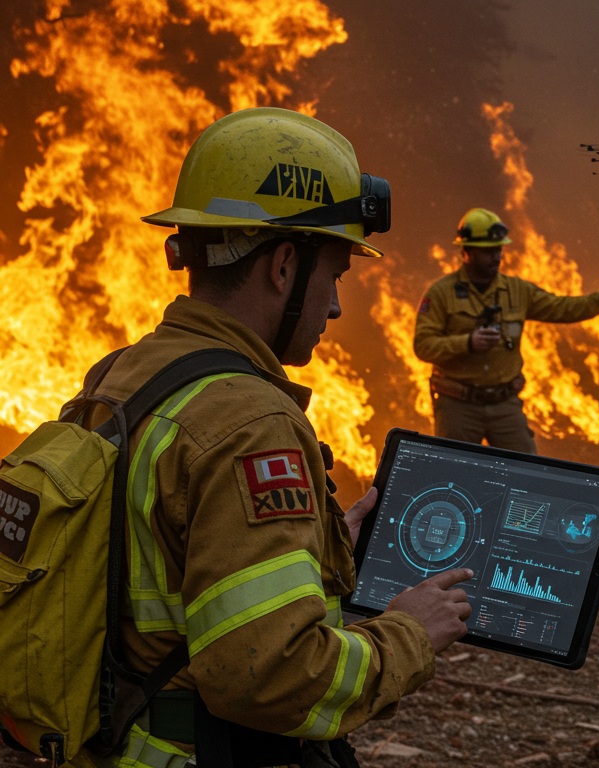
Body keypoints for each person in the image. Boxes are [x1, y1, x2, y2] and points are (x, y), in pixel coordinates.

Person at [91, 107, 474, 767]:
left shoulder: (124, 375)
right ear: (283, 266)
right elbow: (270, 680)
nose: (333, 306)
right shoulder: (250, 423)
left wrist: (315, 555)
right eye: (335, 275)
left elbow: (163, 563)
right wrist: (410, 635)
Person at [412, 207, 599, 454]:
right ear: (466, 252)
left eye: (498, 250)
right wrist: (467, 343)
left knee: (524, 470)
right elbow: (423, 345)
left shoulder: (517, 291)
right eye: (488, 251)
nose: (496, 257)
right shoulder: (441, 294)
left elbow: (564, 308)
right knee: (455, 472)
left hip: (504, 404)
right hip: (458, 406)